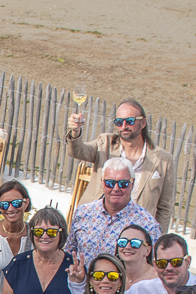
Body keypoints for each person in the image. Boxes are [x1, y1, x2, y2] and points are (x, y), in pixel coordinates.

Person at [67, 98, 177, 231]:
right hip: (96, 225)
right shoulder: (105, 144)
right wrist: (75, 132)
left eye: (130, 121)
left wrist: (158, 238)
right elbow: (78, 151)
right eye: (119, 122)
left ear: (142, 123)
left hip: (136, 231)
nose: (124, 126)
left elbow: (165, 207)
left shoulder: (163, 160)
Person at [0, 207, 87, 294]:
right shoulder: (17, 265)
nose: (45, 236)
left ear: (61, 234)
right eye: (39, 231)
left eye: (52, 232)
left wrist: (80, 283)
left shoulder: (74, 268)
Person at [67, 157, 162, 265]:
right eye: (110, 183)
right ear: (102, 183)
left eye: (123, 183)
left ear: (132, 183)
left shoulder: (148, 225)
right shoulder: (83, 213)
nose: (116, 189)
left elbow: (154, 267)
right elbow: (69, 253)